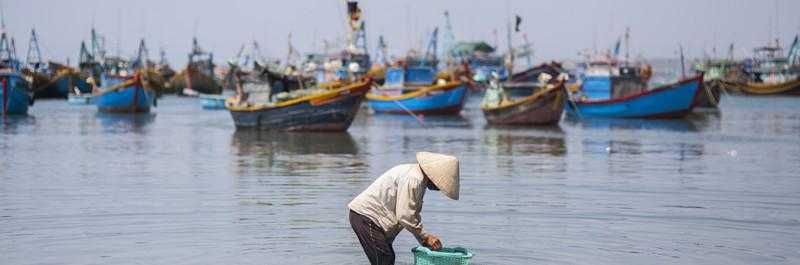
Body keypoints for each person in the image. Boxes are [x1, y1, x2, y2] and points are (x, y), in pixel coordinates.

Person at [348, 152, 460, 265]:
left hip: (372, 220)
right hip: (367, 217)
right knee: (385, 259)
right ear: (434, 177)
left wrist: (423, 239)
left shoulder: (417, 178)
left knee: (387, 258)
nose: (439, 189)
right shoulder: (414, 179)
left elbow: (410, 214)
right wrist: (425, 236)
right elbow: (405, 215)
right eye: (440, 185)